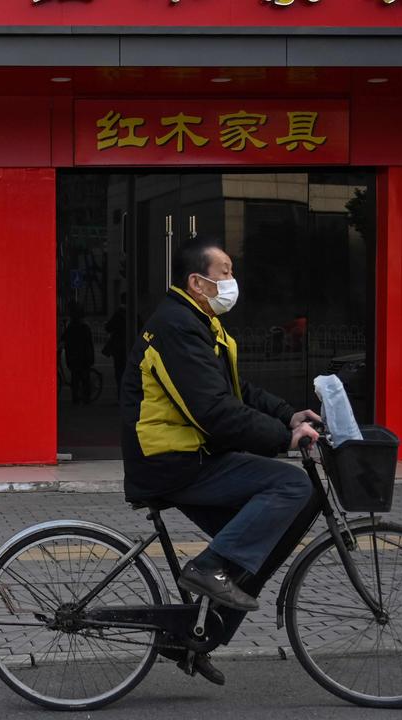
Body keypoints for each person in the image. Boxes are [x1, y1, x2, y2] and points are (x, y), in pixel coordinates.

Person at [119, 238, 322, 686]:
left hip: (190, 456)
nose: (232, 282)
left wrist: (288, 414)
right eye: (225, 272)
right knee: (290, 487)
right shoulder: (176, 327)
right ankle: (206, 568)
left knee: (266, 541)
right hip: (171, 460)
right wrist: (284, 439)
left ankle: (198, 634)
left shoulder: (200, 324)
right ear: (198, 281)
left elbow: (237, 390)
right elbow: (213, 410)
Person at [62, 302, 95, 404]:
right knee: (85, 378)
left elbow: (64, 339)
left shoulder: (70, 328)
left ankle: (75, 398)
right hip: (84, 357)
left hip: (73, 357)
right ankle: (86, 398)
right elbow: (89, 344)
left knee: (75, 378)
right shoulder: (85, 328)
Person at [102, 293, 128, 393]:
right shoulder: (134, 312)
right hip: (130, 347)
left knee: (119, 371)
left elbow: (108, 327)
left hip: (118, 348)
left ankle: (120, 394)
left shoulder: (118, 314)